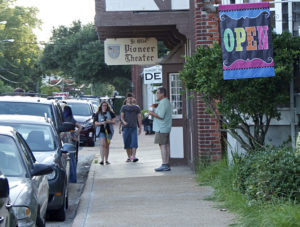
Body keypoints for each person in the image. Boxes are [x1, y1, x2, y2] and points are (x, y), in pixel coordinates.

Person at [148, 87, 172, 171]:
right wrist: (156, 106)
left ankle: (164, 164)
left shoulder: (163, 103)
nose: (156, 95)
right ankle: (166, 163)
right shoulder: (165, 102)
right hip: (165, 127)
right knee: (166, 145)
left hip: (161, 128)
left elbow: (161, 116)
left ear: (162, 94)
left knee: (162, 146)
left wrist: (151, 113)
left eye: (158, 93)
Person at [62, 105, 82, 183]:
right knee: (72, 159)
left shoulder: (64, 119)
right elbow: (80, 127)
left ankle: (70, 178)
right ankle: (73, 178)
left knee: (68, 159)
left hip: (66, 139)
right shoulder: (72, 119)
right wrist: (75, 135)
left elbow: (80, 126)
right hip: (71, 139)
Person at [120, 97, 142, 162]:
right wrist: (124, 122)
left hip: (134, 128)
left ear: (133, 100)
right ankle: (130, 157)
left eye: (131, 98)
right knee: (127, 144)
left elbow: (139, 117)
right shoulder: (123, 107)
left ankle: (134, 157)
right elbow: (121, 117)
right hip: (126, 128)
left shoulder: (136, 108)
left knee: (134, 143)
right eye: (128, 98)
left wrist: (140, 127)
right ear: (126, 100)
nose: (130, 99)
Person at [94, 101, 116, 165]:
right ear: (101, 106)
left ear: (107, 106)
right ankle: (102, 160)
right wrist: (101, 123)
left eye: (106, 105)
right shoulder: (98, 113)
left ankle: (106, 160)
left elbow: (114, 121)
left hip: (108, 131)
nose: (104, 107)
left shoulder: (110, 113)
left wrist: (108, 121)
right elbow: (95, 123)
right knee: (102, 144)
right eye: (103, 105)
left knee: (107, 145)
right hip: (101, 130)